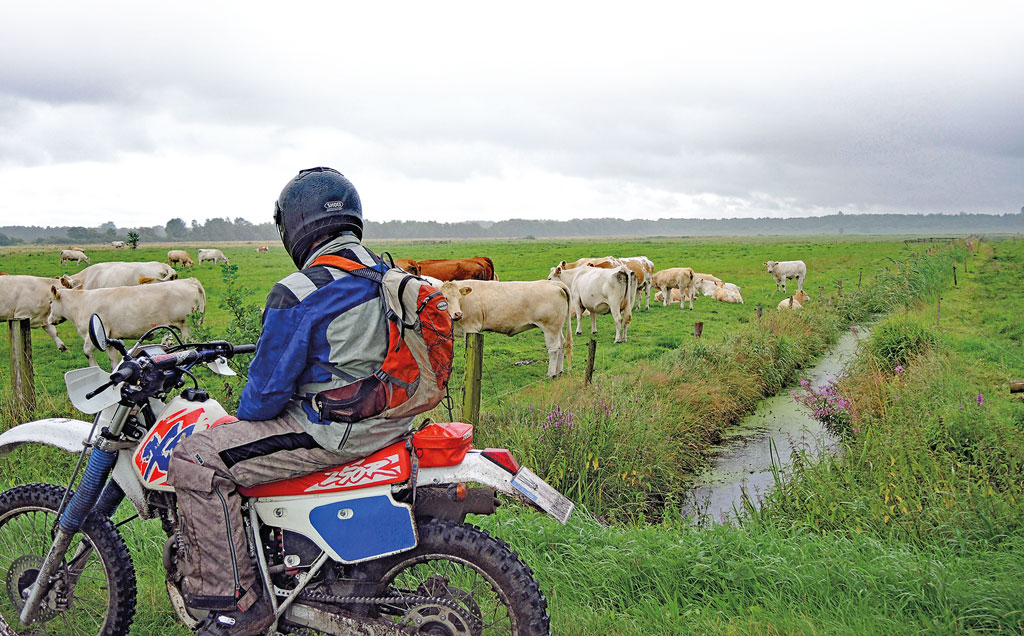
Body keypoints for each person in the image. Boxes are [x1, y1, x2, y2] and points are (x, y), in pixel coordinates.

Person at [167, 167, 415, 636]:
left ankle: (236, 607)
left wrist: (237, 422)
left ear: (294, 225)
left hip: (333, 431)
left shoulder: (300, 291)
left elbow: (263, 398)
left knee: (197, 456)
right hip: (390, 421)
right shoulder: (386, 273)